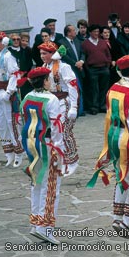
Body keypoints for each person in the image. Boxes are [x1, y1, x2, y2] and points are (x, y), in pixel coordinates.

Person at [87, 55, 129, 236]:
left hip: (114, 136)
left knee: (123, 176)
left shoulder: (113, 88)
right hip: (127, 139)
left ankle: (118, 217)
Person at [20, 66, 65, 245]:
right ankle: (45, 227)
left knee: (36, 183)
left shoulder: (27, 96)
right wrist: (58, 149)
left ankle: (36, 221)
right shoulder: (51, 99)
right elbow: (56, 127)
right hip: (46, 144)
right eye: (48, 79)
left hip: (31, 143)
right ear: (45, 81)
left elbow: (22, 119)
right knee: (51, 186)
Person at [39, 41, 79, 177]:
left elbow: (73, 86)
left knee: (65, 132)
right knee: (55, 133)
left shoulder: (64, 67)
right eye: (41, 53)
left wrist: (74, 106)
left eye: (45, 53)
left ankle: (72, 161)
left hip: (64, 102)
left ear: (53, 54)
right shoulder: (44, 66)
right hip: (52, 103)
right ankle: (61, 161)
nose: (42, 56)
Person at [0, 31, 24, 167]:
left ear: (3, 42)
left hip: (6, 91)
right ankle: (8, 152)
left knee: (11, 122)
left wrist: (9, 92)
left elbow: (15, 75)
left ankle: (18, 152)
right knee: (1, 122)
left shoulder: (9, 56)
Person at [81, 24, 111, 115]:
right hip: (92, 69)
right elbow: (84, 56)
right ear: (90, 32)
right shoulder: (85, 43)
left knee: (104, 88)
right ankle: (94, 107)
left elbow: (108, 54)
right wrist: (88, 69)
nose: (96, 33)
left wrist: (108, 64)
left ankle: (102, 105)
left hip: (104, 68)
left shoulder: (102, 42)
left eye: (98, 32)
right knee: (94, 89)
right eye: (94, 31)